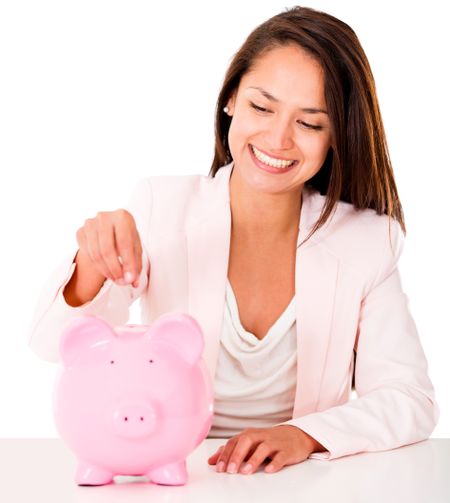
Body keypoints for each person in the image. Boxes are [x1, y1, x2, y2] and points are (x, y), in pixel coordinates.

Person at [28, 6, 439, 476]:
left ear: (336, 137)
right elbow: (48, 345)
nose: (278, 138)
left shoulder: (366, 240)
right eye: (261, 107)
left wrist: (304, 435)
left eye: (310, 123)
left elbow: (409, 399)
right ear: (230, 101)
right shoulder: (161, 206)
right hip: (178, 474)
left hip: (299, 481)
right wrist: (92, 264)